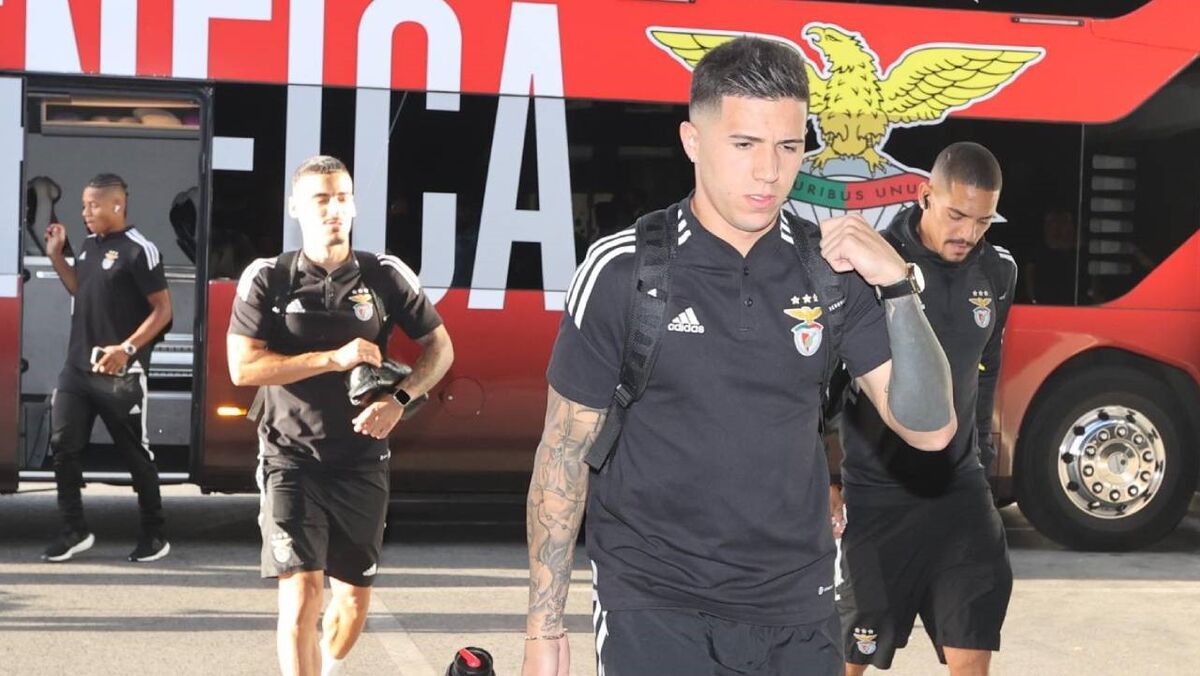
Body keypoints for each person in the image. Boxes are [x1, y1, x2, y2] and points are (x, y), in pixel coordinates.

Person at [522, 37, 956, 676]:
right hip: (654, 601)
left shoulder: (833, 272)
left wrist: (897, 285)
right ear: (693, 142)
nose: (769, 172)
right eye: (745, 144)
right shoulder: (623, 270)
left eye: (788, 147)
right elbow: (562, 454)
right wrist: (544, 628)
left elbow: (930, 429)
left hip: (798, 606)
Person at [227, 155, 454, 676]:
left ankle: (327, 667)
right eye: (321, 199)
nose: (334, 209)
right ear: (296, 208)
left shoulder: (384, 274)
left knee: (351, 605)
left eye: (342, 198)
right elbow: (243, 368)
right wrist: (333, 359)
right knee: (302, 593)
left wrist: (398, 402)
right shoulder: (268, 276)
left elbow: (441, 349)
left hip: (361, 460)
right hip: (288, 455)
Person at [833, 142, 1018, 676]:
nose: (969, 233)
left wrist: (981, 460)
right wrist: (827, 478)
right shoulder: (871, 263)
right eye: (957, 215)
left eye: (982, 221)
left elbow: (986, 369)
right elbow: (827, 384)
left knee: (972, 650)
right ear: (924, 195)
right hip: (878, 494)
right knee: (848, 659)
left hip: (960, 491)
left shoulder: (998, 271)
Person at [41, 173, 174, 563]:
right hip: (77, 369)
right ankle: (74, 530)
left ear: (117, 205)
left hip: (120, 376)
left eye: (93, 205)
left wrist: (127, 349)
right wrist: (56, 255)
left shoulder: (140, 250)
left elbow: (163, 310)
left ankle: (154, 535)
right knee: (62, 447)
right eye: (84, 205)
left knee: (134, 454)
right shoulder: (88, 245)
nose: (85, 213)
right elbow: (79, 289)